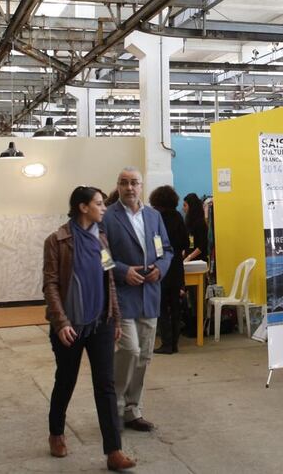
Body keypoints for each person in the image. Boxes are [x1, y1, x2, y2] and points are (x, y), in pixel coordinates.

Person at [42, 186, 136, 471]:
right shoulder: (57, 240)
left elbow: (109, 282)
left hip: (101, 322)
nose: (103, 207)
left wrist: (115, 319)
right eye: (98, 203)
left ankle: (113, 451)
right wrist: (61, 323)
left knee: (105, 385)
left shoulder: (102, 240)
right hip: (69, 326)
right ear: (83, 207)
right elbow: (50, 285)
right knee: (66, 380)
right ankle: (56, 432)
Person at [104, 167, 173, 432]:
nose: (129, 188)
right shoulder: (108, 217)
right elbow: (101, 255)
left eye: (134, 183)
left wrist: (161, 268)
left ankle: (133, 410)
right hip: (123, 294)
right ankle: (115, 408)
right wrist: (122, 271)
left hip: (150, 292)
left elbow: (166, 249)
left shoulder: (154, 216)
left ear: (142, 186)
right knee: (129, 350)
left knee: (144, 355)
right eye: (124, 183)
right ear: (118, 186)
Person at [148, 185, 187, 355]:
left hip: (162, 264)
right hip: (177, 264)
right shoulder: (178, 216)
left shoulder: (155, 217)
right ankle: (175, 344)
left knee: (162, 306)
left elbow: (154, 241)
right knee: (176, 305)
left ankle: (166, 343)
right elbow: (185, 242)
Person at [181, 193, 209, 263]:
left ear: (192, 206)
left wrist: (189, 257)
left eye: (185, 205)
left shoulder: (200, 223)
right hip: (190, 260)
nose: (183, 208)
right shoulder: (189, 222)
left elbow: (201, 246)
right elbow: (191, 242)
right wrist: (185, 253)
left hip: (199, 261)